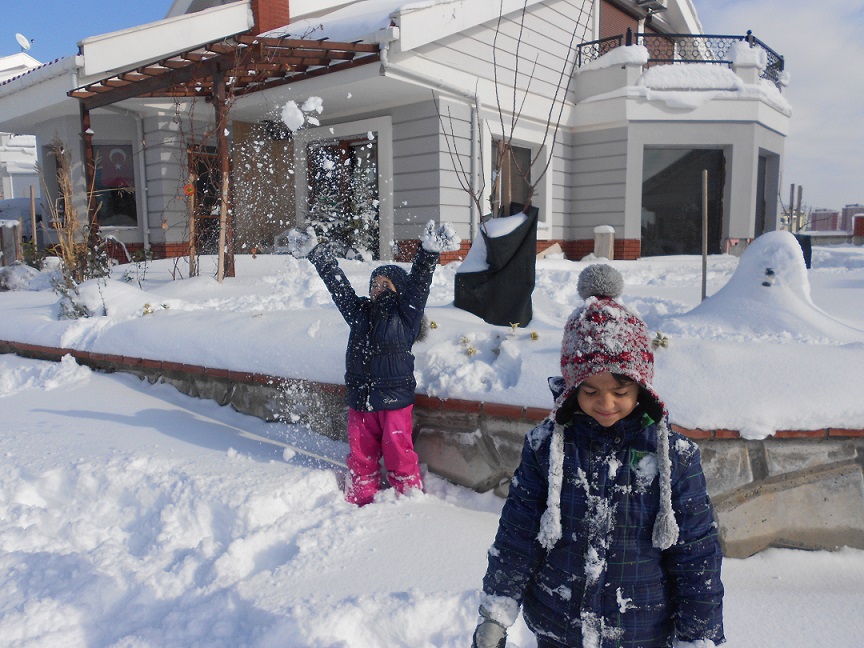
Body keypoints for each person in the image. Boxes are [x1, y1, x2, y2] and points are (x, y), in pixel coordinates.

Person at [472, 264, 724, 648]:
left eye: (620, 391)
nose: (605, 403)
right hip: (560, 628)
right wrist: (496, 612)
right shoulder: (547, 447)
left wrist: (697, 637)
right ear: (573, 388)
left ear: (642, 387)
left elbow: (696, 558)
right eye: (590, 391)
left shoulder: (674, 457)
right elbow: (518, 537)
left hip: (640, 633)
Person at [288, 221, 461, 506]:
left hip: (394, 401)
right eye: (374, 284)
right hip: (361, 399)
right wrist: (318, 254)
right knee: (360, 451)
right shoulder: (359, 313)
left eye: (385, 284)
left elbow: (419, 283)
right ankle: (362, 493)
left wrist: (428, 254)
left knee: (398, 450)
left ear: (398, 290)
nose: (378, 288)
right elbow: (338, 287)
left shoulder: (406, 317)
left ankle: (408, 495)